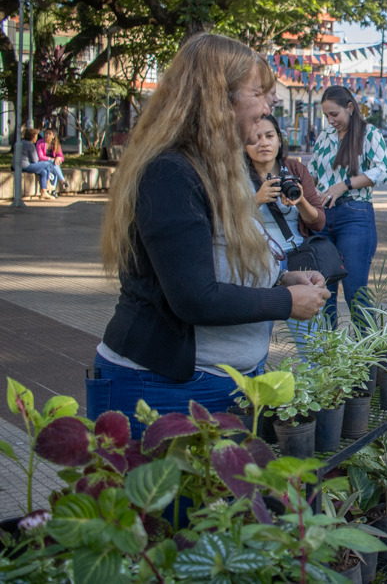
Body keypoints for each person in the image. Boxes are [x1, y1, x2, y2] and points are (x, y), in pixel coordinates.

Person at [89, 33, 330, 438]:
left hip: (212, 385)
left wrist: (281, 278)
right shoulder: (171, 172)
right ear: (219, 98)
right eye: (259, 92)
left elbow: (215, 259)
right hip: (164, 389)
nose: (271, 104)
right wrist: (285, 301)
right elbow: (193, 296)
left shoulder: (217, 167)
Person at [308, 85, 387, 325]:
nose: (330, 120)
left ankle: (367, 358)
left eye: (334, 114)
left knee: (356, 292)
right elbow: (312, 171)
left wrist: (344, 184)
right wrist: (311, 188)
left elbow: (383, 170)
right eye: (326, 116)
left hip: (355, 213)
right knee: (323, 293)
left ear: (350, 107)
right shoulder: (325, 137)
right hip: (323, 215)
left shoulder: (369, 133)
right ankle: (328, 356)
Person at [246, 113, 326, 351]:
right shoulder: (235, 175)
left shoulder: (295, 169)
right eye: (255, 138)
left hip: (295, 261)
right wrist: (257, 200)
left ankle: (315, 386)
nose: (264, 143)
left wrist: (300, 201)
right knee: (255, 340)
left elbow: (319, 222)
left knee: (311, 344)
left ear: (279, 140)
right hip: (256, 262)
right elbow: (225, 223)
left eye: (270, 136)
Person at [16, 129, 61, 199]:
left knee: (44, 171)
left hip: (16, 165)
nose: (37, 138)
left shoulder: (21, 142)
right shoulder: (30, 145)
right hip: (24, 166)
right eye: (36, 136)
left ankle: (44, 191)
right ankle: (48, 182)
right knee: (47, 164)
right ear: (32, 137)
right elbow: (35, 160)